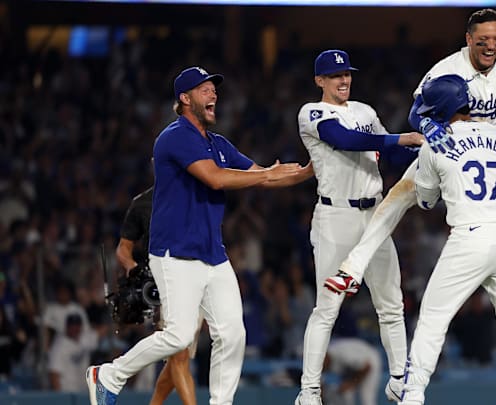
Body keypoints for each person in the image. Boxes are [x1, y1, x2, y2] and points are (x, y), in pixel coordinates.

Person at [325, 8, 496, 349]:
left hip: (494, 158)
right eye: (483, 41)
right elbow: (416, 110)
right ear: (468, 39)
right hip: (449, 152)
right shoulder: (448, 68)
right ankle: (351, 269)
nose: (491, 47)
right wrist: (429, 125)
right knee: (397, 197)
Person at [86, 66, 312, 405]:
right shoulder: (174, 136)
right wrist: (267, 174)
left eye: (214, 89)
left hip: (212, 254)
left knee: (233, 333)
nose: (213, 94)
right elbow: (217, 179)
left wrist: (313, 168)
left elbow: (266, 177)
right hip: (174, 254)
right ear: (185, 98)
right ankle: (108, 375)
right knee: (178, 336)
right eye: (204, 89)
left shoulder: (218, 144)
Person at [400, 74, 496, 405]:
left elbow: (426, 201)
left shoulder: (435, 143)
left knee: (432, 317)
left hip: (470, 236)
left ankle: (412, 397)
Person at [294, 49, 424, 405]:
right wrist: (402, 138)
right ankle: (309, 390)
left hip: (374, 217)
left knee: (391, 304)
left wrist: (429, 151)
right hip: (335, 217)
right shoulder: (312, 112)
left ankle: (400, 380)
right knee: (328, 307)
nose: (344, 80)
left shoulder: (365, 111)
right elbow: (344, 140)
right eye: (335, 76)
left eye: (347, 74)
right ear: (320, 80)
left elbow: (393, 155)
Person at [115, 185, 199, 405]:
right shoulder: (143, 203)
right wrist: (133, 268)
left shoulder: (194, 194)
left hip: (197, 279)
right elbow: (123, 247)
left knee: (177, 360)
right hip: (164, 283)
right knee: (179, 356)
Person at [323, 337, 382, 405]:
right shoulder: (318, 362)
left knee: (366, 398)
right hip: (352, 368)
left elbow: (367, 367)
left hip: (369, 358)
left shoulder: (343, 354)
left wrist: (351, 383)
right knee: (346, 394)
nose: (321, 367)